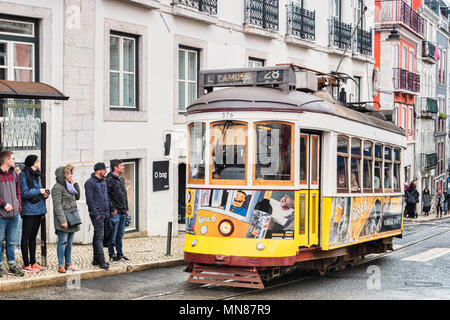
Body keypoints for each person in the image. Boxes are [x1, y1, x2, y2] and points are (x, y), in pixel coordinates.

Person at [19, 155, 48, 273]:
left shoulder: (37, 175)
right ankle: (26, 264)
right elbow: (24, 193)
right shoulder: (23, 175)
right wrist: (39, 191)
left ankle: (33, 262)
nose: (39, 162)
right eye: (37, 161)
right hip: (29, 211)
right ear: (32, 163)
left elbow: (40, 188)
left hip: (39, 209)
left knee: (33, 237)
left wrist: (44, 193)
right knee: (26, 237)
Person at [51, 164, 81, 273]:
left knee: (69, 242)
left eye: (71, 173)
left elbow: (77, 197)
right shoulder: (57, 188)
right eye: (68, 173)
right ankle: (60, 265)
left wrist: (75, 184)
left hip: (73, 217)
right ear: (62, 175)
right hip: (63, 218)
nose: (70, 175)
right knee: (62, 242)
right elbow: (57, 206)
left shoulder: (70, 186)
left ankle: (68, 263)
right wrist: (63, 220)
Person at [0, 150, 24, 277]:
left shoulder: (14, 175)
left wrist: (18, 206)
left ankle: (11, 266)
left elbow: (18, 192)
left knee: (11, 242)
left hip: (14, 215)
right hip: (1, 216)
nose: (15, 161)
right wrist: (3, 204)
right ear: (6, 160)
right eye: (13, 158)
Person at [84, 162, 110, 270]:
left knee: (97, 236)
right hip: (97, 214)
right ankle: (102, 261)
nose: (106, 171)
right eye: (104, 169)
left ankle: (95, 259)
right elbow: (89, 200)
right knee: (100, 237)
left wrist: (107, 211)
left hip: (105, 213)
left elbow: (106, 197)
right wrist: (96, 214)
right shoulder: (90, 183)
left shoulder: (103, 182)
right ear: (99, 170)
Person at [106, 159, 130, 262]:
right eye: (121, 165)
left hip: (123, 211)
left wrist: (126, 208)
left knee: (120, 235)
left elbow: (124, 195)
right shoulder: (109, 180)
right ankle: (112, 255)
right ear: (115, 167)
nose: (123, 167)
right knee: (113, 235)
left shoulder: (121, 179)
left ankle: (120, 254)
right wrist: (112, 209)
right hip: (114, 213)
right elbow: (107, 196)